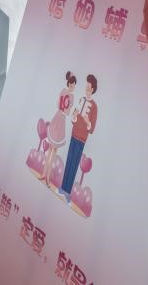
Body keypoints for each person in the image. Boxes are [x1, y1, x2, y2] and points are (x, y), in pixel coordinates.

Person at [60, 74, 99, 202]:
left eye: (88, 87)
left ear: (92, 89)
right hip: (74, 134)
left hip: (81, 139)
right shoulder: (81, 99)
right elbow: (74, 120)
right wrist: (75, 116)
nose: (86, 89)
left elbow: (92, 129)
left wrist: (87, 122)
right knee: (69, 160)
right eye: (86, 87)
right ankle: (62, 188)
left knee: (74, 164)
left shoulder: (94, 106)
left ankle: (67, 192)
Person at [42, 71, 76, 185]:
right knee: (54, 150)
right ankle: (46, 176)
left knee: (51, 149)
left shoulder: (62, 91)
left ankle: (44, 174)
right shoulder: (71, 96)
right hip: (61, 119)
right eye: (72, 85)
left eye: (74, 85)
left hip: (57, 117)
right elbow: (67, 111)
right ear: (70, 84)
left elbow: (58, 104)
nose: (73, 87)